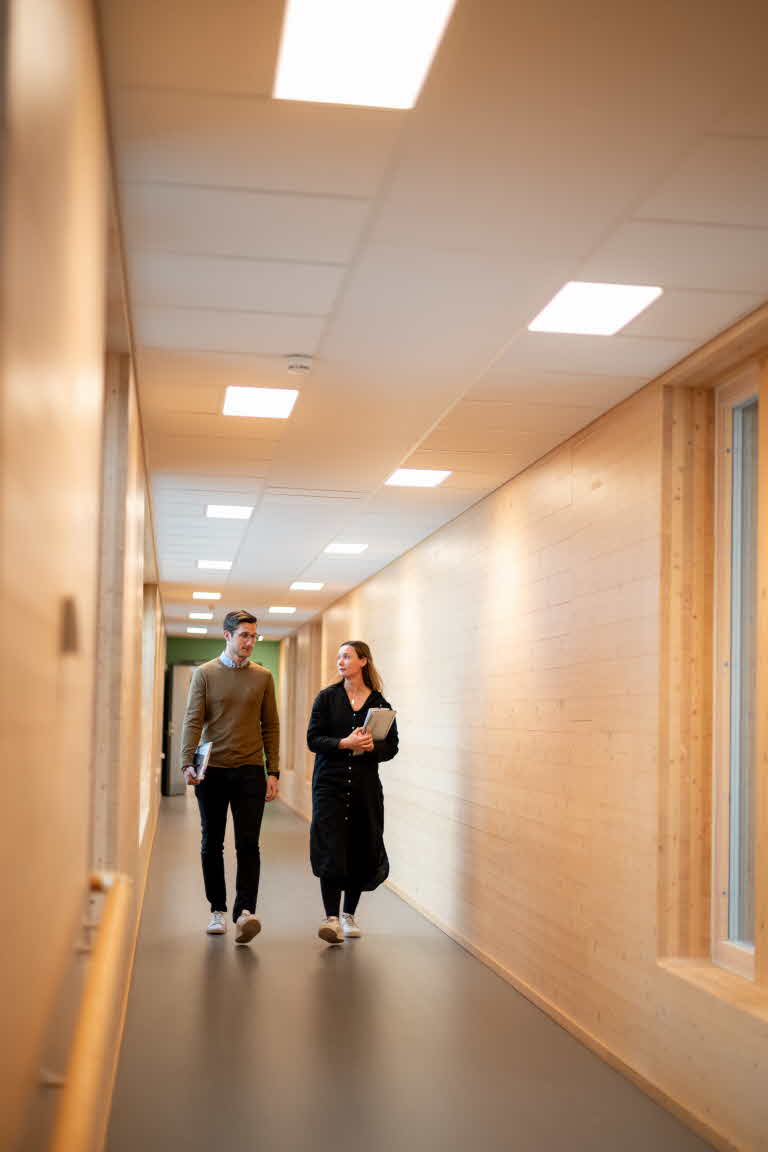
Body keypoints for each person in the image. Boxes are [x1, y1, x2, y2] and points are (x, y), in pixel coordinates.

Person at [180, 610, 279, 944]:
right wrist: (186, 762)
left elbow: (271, 725)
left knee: (249, 843)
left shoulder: (263, 677)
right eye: (244, 635)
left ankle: (245, 911)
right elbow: (193, 720)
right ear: (227, 635)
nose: (249, 642)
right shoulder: (205, 674)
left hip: (251, 770)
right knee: (212, 842)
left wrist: (273, 770)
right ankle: (218, 910)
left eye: (254, 636)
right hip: (213, 771)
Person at [307, 640, 398, 944]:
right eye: (338, 657)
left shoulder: (380, 704)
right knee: (332, 848)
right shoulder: (326, 698)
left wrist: (374, 746)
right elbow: (314, 739)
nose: (341, 662)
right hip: (328, 786)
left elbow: (392, 747)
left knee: (359, 848)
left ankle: (349, 915)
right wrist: (344, 743)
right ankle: (331, 917)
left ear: (363, 661)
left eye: (346, 656)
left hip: (364, 788)